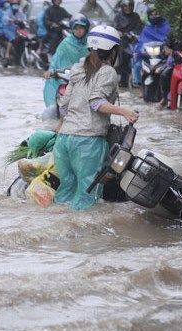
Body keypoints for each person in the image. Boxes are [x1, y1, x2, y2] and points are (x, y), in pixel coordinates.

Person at [53, 25, 139, 211]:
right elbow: (96, 102)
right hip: (87, 142)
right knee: (86, 197)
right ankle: (79, 237)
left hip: (64, 140)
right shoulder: (107, 72)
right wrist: (124, 111)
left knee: (65, 192)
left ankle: (57, 232)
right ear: (113, 50)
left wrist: (60, 126)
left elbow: (64, 103)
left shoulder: (77, 68)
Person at [42, 13, 90, 119]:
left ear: (86, 29)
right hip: (66, 78)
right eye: (75, 28)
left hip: (85, 79)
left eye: (81, 28)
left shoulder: (91, 44)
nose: (78, 30)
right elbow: (56, 59)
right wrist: (50, 71)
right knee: (53, 108)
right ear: (72, 29)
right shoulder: (66, 43)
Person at [134, 5, 171, 86]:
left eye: (156, 14)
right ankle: (140, 87)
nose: (154, 17)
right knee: (138, 65)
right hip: (149, 55)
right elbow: (141, 43)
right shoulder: (147, 29)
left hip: (163, 56)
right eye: (151, 15)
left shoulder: (167, 27)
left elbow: (170, 40)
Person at [113, 0, 143, 87]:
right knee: (123, 60)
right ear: (122, 7)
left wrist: (133, 34)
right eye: (125, 6)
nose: (128, 8)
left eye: (130, 6)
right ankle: (123, 81)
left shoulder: (136, 16)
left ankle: (137, 79)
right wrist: (119, 32)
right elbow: (115, 27)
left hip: (134, 42)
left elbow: (139, 28)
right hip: (123, 42)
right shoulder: (118, 17)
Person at [1, 0, 27, 64]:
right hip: (8, 29)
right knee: (12, 39)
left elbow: (24, 18)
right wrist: (10, 20)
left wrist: (23, 21)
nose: (16, 6)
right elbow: (5, 18)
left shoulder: (19, 12)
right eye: (14, 4)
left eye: (17, 4)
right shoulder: (8, 12)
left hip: (17, 30)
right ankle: (7, 54)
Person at [154, 38, 174, 110]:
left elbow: (169, 66)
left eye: (165, 48)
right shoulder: (169, 57)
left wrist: (161, 69)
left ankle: (164, 98)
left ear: (169, 49)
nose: (164, 50)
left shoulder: (173, 56)